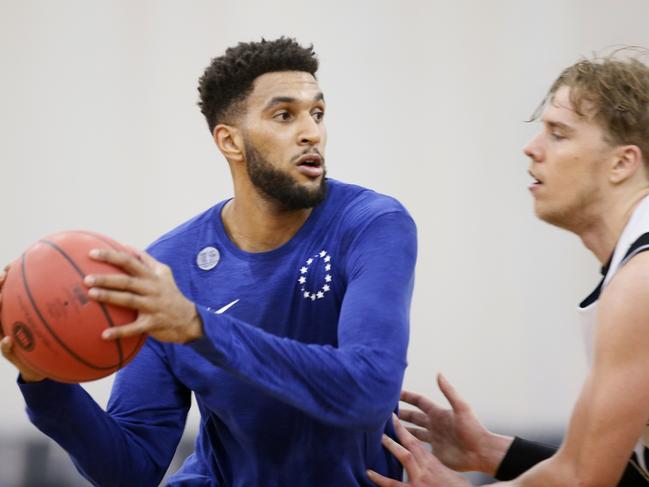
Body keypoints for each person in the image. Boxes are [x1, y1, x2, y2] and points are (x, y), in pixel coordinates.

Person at [0, 37, 417, 486]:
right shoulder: (167, 269)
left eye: (317, 112)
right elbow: (131, 468)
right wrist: (43, 380)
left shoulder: (372, 225)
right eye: (284, 115)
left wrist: (199, 326)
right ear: (231, 142)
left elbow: (369, 389)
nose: (312, 131)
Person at [367, 52, 649, 486]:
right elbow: (618, 473)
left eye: (558, 133)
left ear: (622, 163)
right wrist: (489, 451)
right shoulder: (631, 271)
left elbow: (585, 480)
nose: (531, 147)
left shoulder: (640, 283)